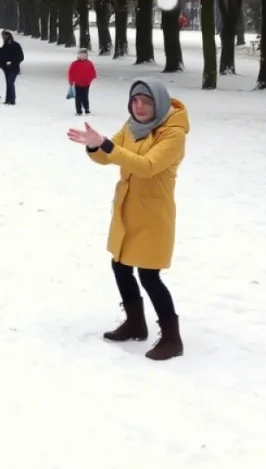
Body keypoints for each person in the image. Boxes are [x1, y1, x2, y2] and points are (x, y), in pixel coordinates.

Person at [67, 79, 190, 361]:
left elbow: (147, 166)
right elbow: (107, 157)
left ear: (158, 103)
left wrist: (107, 145)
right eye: (135, 101)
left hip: (154, 214)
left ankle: (172, 338)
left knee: (149, 275)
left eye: (146, 101)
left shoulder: (173, 132)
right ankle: (135, 323)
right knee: (120, 265)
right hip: (127, 208)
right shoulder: (132, 125)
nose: (139, 106)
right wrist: (94, 147)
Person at [67, 48, 97, 115]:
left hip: (86, 84)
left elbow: (93, 73)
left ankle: (87, 109)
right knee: (78, 97)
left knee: (85, 97)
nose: (83, 56)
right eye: (81, 55)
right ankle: (78, 110)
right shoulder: (74, 64)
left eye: (84, 55)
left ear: (87, 56)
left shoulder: (89, 63)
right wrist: (71, 81)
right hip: (77, 84)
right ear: (78, 56)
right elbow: (70, 73)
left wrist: (90, 79)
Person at [0, 30, 24, 105]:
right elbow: (1, 56)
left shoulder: (16, 45)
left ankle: (12, 99)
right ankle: (8, 99)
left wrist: (13, 62)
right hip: (6, 68)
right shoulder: (4, 46)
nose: (3, 38)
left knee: (10, 82)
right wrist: (2, 64)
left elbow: (20, 57)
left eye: (4, 36)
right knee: (8, 83)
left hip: (14, 68)